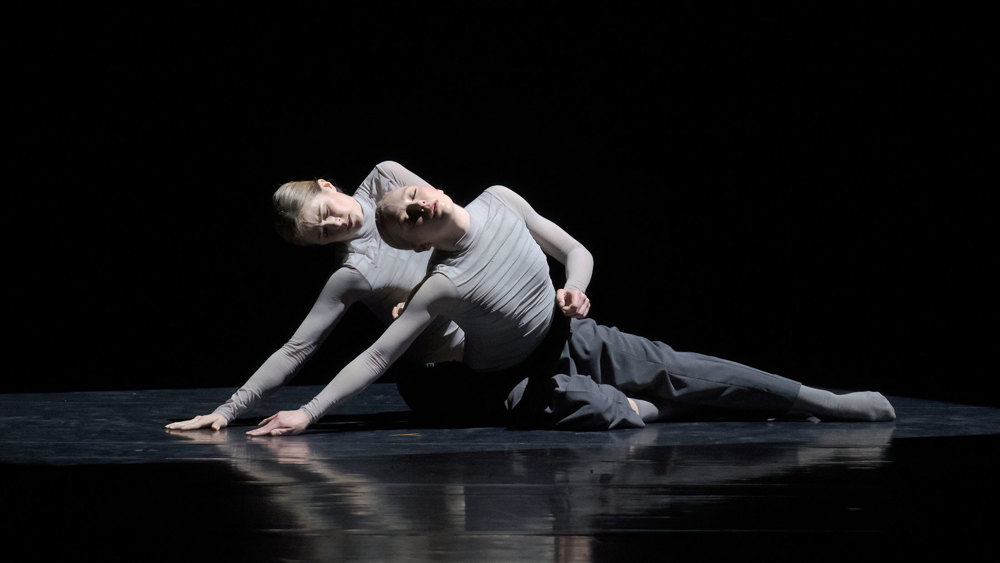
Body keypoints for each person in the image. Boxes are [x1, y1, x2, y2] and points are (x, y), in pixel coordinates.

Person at [247, 182, 895, 436]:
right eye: (408, 221)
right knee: (611, 412)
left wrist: (575, 287)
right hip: (513, 373)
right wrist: (305, 412)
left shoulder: (499, 201)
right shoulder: (435, 285)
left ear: (428, 185)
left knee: (677, 363)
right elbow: (375, 356)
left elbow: (575, 250)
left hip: (567, 331)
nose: (416, 207)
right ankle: (670, 406)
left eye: (412, 198)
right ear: (415, 243)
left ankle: (817, 399)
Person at [165, 162, 464, 432]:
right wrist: (227, 411)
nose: (335, 224)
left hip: (496, 321)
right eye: (323, 234)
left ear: (327, 185)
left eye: (325, 212)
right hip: (446, 372)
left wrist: (421, 288)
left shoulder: (386, 178)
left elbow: (455, 221)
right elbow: (296, 349)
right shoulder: (353, 272)